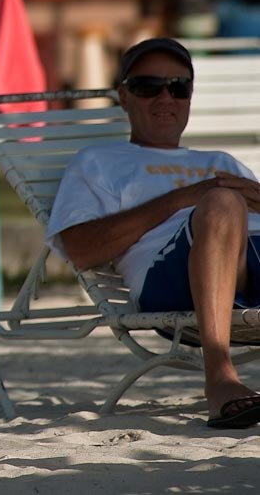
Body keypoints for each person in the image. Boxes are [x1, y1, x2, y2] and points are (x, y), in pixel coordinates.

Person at [46, 37, 260, 429]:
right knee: (222, 204)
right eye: (148, 87)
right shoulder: (98, 162)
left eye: (179, 87)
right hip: (173, 279)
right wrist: (186, 198)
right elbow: (80, 250)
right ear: (123, 96)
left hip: (251, 259)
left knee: (225, 203)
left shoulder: (220, 162)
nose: (166, 98)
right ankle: (220, 377)